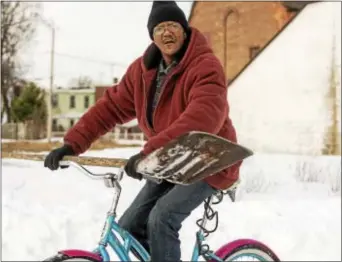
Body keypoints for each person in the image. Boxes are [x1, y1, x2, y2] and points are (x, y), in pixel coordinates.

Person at [44, 1, 241, 261]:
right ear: (152, 35)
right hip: (170, 161)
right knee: (129, 228)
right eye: (159, 28)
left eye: (173, 25)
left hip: (210, 159)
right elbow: (110, 108)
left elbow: (203, 118)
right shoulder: (142, 71)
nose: (167, 32)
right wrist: (72, 144)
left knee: (162, 218)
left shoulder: (205, 66)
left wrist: (150, 152)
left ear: (184, 30)